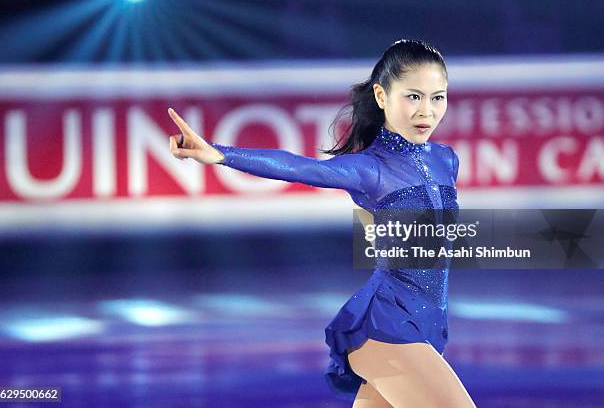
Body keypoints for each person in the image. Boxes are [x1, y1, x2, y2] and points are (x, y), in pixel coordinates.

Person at [167, 39, 476, 407]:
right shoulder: (370, 168)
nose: (426, 110)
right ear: (381, 95)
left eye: (437, 97)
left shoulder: (446, 160)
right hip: (387, 327)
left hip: (429, 327)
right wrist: (221, 154)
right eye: (413, 97)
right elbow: (302, 167)